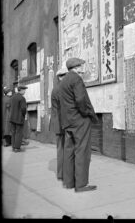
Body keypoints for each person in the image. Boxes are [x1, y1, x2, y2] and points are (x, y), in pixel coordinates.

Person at [58, 57, 98, 192]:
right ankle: (81, 184)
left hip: (67, 121)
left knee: (69, 151)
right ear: (77, 67)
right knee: (82, 150)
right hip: (79, 120)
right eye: (81, 65)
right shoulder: (76, 79)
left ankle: (69, 183)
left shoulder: (63, 82)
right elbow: (80, 99)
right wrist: (86, 113)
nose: (82, 68)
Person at [49, 67, 68, 183]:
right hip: (66, 123)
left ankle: (61, 174)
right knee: (68, 149)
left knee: (60, 149)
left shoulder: (55, 89)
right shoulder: (65, 89)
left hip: (57, 123)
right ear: (62, 77)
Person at [9, 85, 28, 152]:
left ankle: (13, 147)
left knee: (13, 132)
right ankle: (17, 148)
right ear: (21, 90)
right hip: (19, 118)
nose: (25, 91)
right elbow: (23, 108)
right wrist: (24, 114)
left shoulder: (12, 97)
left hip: (12, 118)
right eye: (24, 90)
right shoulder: (22, 98)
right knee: (19, 133)